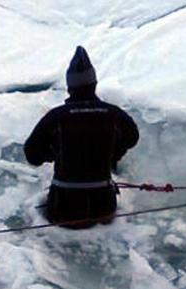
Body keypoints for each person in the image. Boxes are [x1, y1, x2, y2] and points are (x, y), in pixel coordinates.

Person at [24, 46, 139, 228]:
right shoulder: (113, 114)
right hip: (104, 206)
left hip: (63, 208)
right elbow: (133, 137)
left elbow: (31, 154)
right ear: (94, 84)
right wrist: (113, 154)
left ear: (70, 87)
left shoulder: (57, 116)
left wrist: (54, 154)